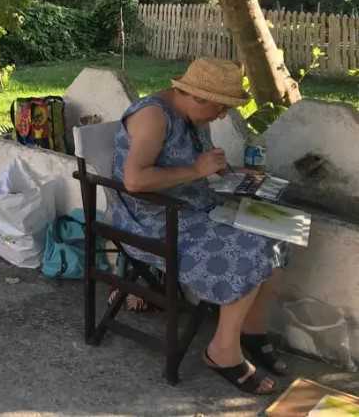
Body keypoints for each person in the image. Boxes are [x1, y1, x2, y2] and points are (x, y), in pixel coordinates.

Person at [111, 58, 287, 395]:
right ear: (197, 97)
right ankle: (221, 351)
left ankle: (250, 330)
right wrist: (196, 170)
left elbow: (194, 163)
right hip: (153, 222)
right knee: (250, 250)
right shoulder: (152, 117)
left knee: (277, 234)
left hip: (193, 208)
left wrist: (229, 172)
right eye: (220, 108)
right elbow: (134, 181)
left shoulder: (192, 114)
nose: (222, 116)